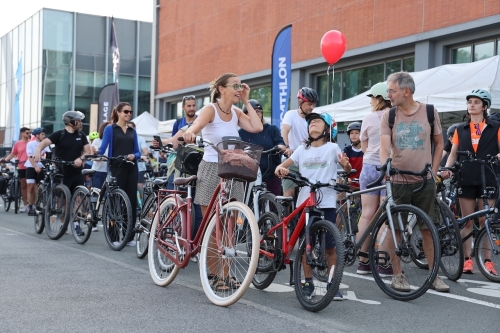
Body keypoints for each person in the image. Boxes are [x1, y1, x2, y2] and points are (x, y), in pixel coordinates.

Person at [182, 73, 262, 290]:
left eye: (240, 85)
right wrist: (189, 133)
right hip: (210, 168)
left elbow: (257, 127)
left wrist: (246, 101)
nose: (238, 88)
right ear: (221, 89)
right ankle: (215, 274)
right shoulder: (211, 110)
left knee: (229, 227)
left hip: (232, 169)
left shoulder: (236, 112)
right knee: (212, 226)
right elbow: (196, 125)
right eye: (235, 86)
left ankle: (226, 274)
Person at [379, 72, 449, 292]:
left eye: (392, 90)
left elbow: (439, 144)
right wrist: (385, 166)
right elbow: (383, 145)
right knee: (396, 229)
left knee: (428, 228)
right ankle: (398, 275)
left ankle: (434, 275)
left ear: (406, 91)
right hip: (398, 179)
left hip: (424, 180)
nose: (388, 94)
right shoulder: (389, 116)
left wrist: (434, 171)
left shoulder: (429, 112)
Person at [275, 112, 351, 301]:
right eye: (310, 122)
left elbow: (347, 169)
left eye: (317, 121)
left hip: (326, 202)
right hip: (305, 203)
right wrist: (281, 169)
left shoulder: (333, 148)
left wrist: (345, 166)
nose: (312, 124)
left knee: (331, 248)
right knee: (305, 246)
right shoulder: (302, 149)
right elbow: (283, 166)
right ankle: (308, 282)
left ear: (327, 129)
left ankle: (332, 284)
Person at [441, 89, 500, 276]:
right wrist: (446, 169)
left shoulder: (495, 127)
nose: (472, 105)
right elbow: (453, 153)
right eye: (470, 102)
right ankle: (467, 260)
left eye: (476, 102)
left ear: (485, 106)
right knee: (466, 221)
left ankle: (487, 261)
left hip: (488, 176)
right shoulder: (460, 129)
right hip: (465, 176)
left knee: (485, 221)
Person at [356, 82, 392, 275]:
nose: (370, 100)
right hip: (390, 168)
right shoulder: (396, 116)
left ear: (379, 98)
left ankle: (363, 262)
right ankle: (383, 263)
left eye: (372, 97)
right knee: (386, 216)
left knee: (367, 213)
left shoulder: (369, 117)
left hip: (369, 166)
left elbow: (364, 147)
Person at [98, 102, 141, 247]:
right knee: (115, 203)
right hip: (116, 167)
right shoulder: (110, 129)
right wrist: (97, 154)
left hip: (131, 168)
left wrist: (133, 156)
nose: (129, 114)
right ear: (118, 113)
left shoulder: (132, 131)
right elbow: (103, 147)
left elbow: (138, 152)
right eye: (126, 112)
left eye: (130, 111)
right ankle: (114, 235)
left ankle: (129, 237)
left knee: (131, 203)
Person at [238, 99, 286, 196]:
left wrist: (280, 147)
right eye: (254, 111)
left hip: (272, 175)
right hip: (250, 176)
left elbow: (281, 144)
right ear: (245, 114)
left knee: (274, 205)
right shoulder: (241, 133)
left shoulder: (272, 129)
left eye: (259, 111)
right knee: (250, 205)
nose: (258, 114)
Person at [281, 87, 319, 199]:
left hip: (308, 161)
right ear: (300, 102)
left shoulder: (314, 119)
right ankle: (285, 215)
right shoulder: (291, 114)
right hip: (291, 160)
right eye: (309, 104)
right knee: (289, 195)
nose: (312, 107)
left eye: (313, 104)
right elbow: (284, 131)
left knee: (311, 196)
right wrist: (287, 147)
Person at [0, 127, 31, 212]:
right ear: (22, 133)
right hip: (21, 166)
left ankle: (32, 204)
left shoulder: (31, 143)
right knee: (24, 185)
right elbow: (13, 154)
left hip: (30, 166)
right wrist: (5, 160)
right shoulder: (17, 144)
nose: (29, 134)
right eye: (27, 133)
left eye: (29, 133)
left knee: (31, 186)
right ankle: (25, 205)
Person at [24, 128, 49, 216]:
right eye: (42, 134)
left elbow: (49, 155)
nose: (44, 136)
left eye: (44, 134)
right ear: (37, 135)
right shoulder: (30, 144)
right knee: (30, 187)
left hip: (41, 167)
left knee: (39, 188)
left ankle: (38, 205)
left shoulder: (46, 144)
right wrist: (35, 167)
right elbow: (30, 157)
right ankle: (30, 207)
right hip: (31, 166)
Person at [126, 121, 149, 191]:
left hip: (139, 167)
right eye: (127, 127)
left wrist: (140, 156)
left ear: (134, 128)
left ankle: (140, 202)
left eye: (131, 128)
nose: (129, 129)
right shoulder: (125, 138)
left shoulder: (140, 139)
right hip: (127, 166)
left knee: (139, 188)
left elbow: (146, 152)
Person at [343, 122, 363, 188]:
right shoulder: (347, 150)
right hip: (351, 184)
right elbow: (345, 168)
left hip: (365, 184)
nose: (354, 135)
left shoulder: (367, 149)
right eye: (351, 133)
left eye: (357, 133)